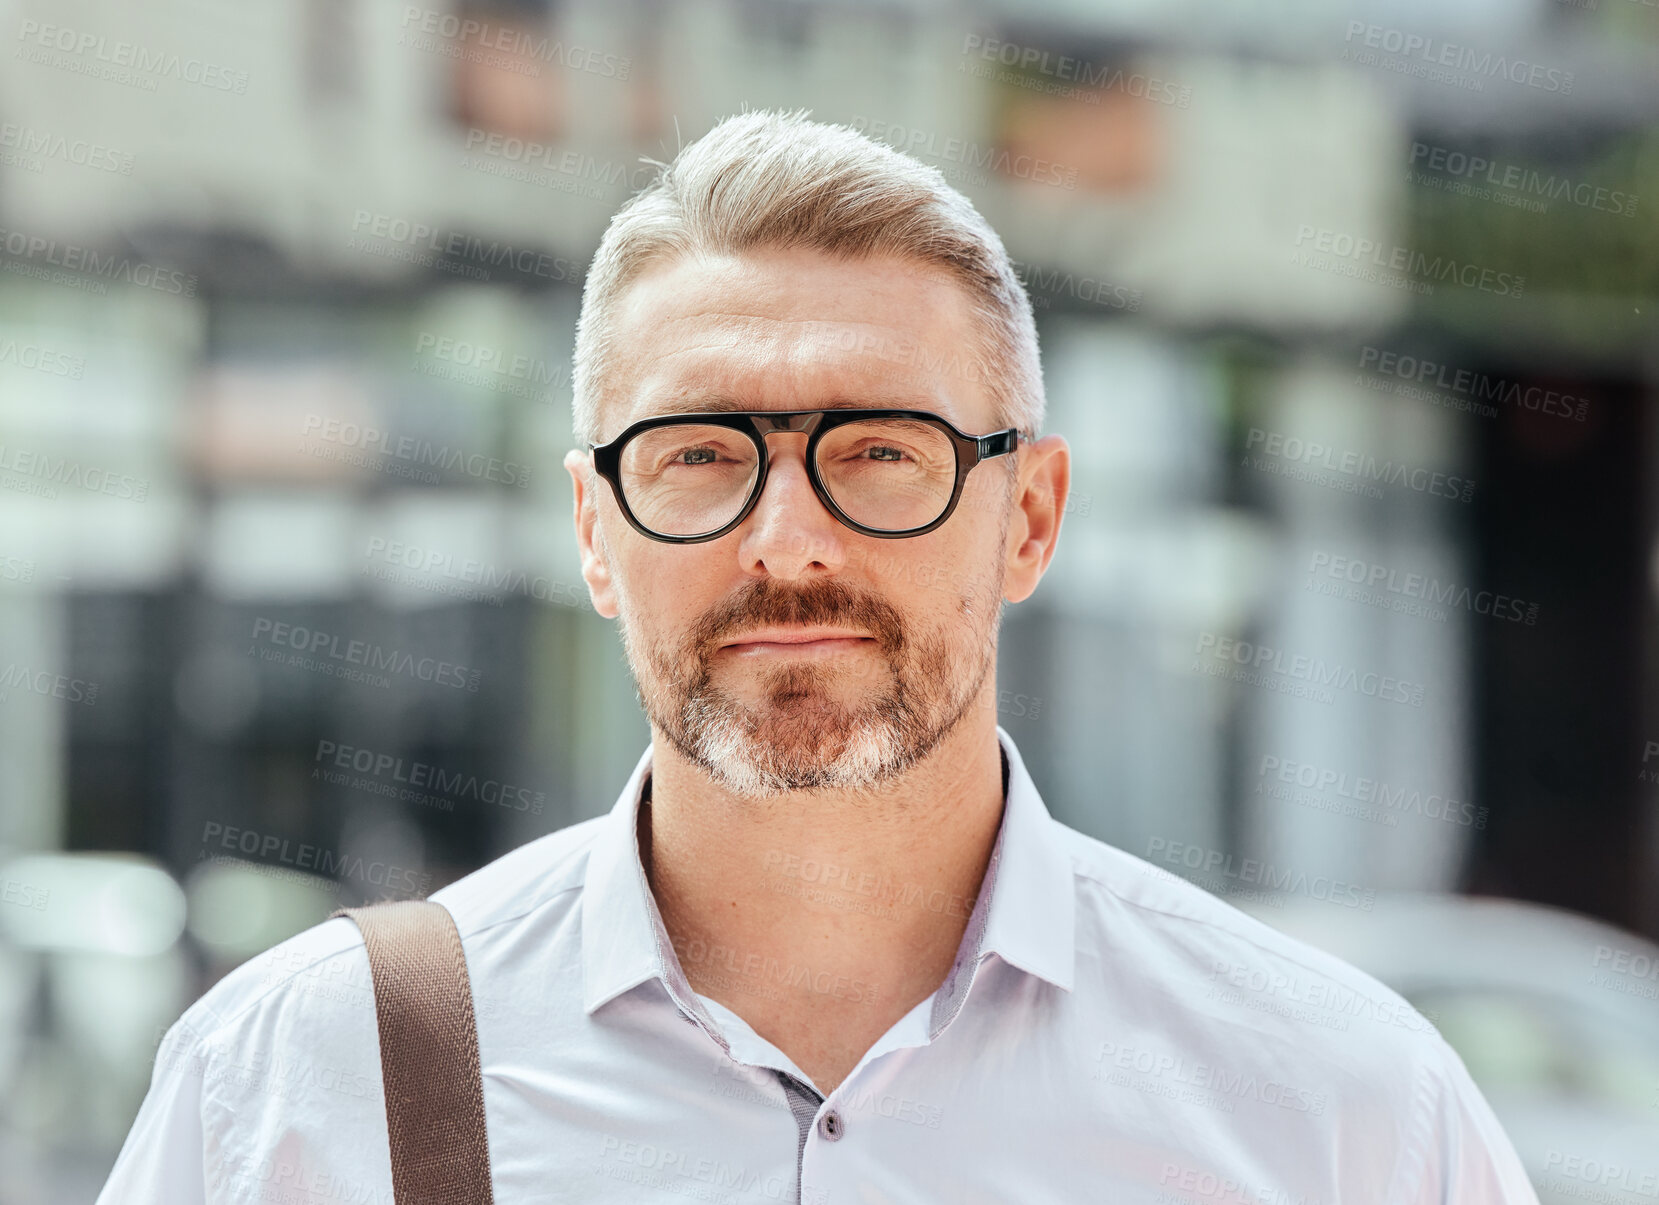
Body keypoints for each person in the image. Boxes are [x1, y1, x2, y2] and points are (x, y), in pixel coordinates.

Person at [98, 109, 1539, 1204]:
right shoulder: (295, 1084)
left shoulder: (1339, 1111)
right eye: (702, 452)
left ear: (1028, 516)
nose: (788, 541)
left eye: (879, 452)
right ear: (596, 529)